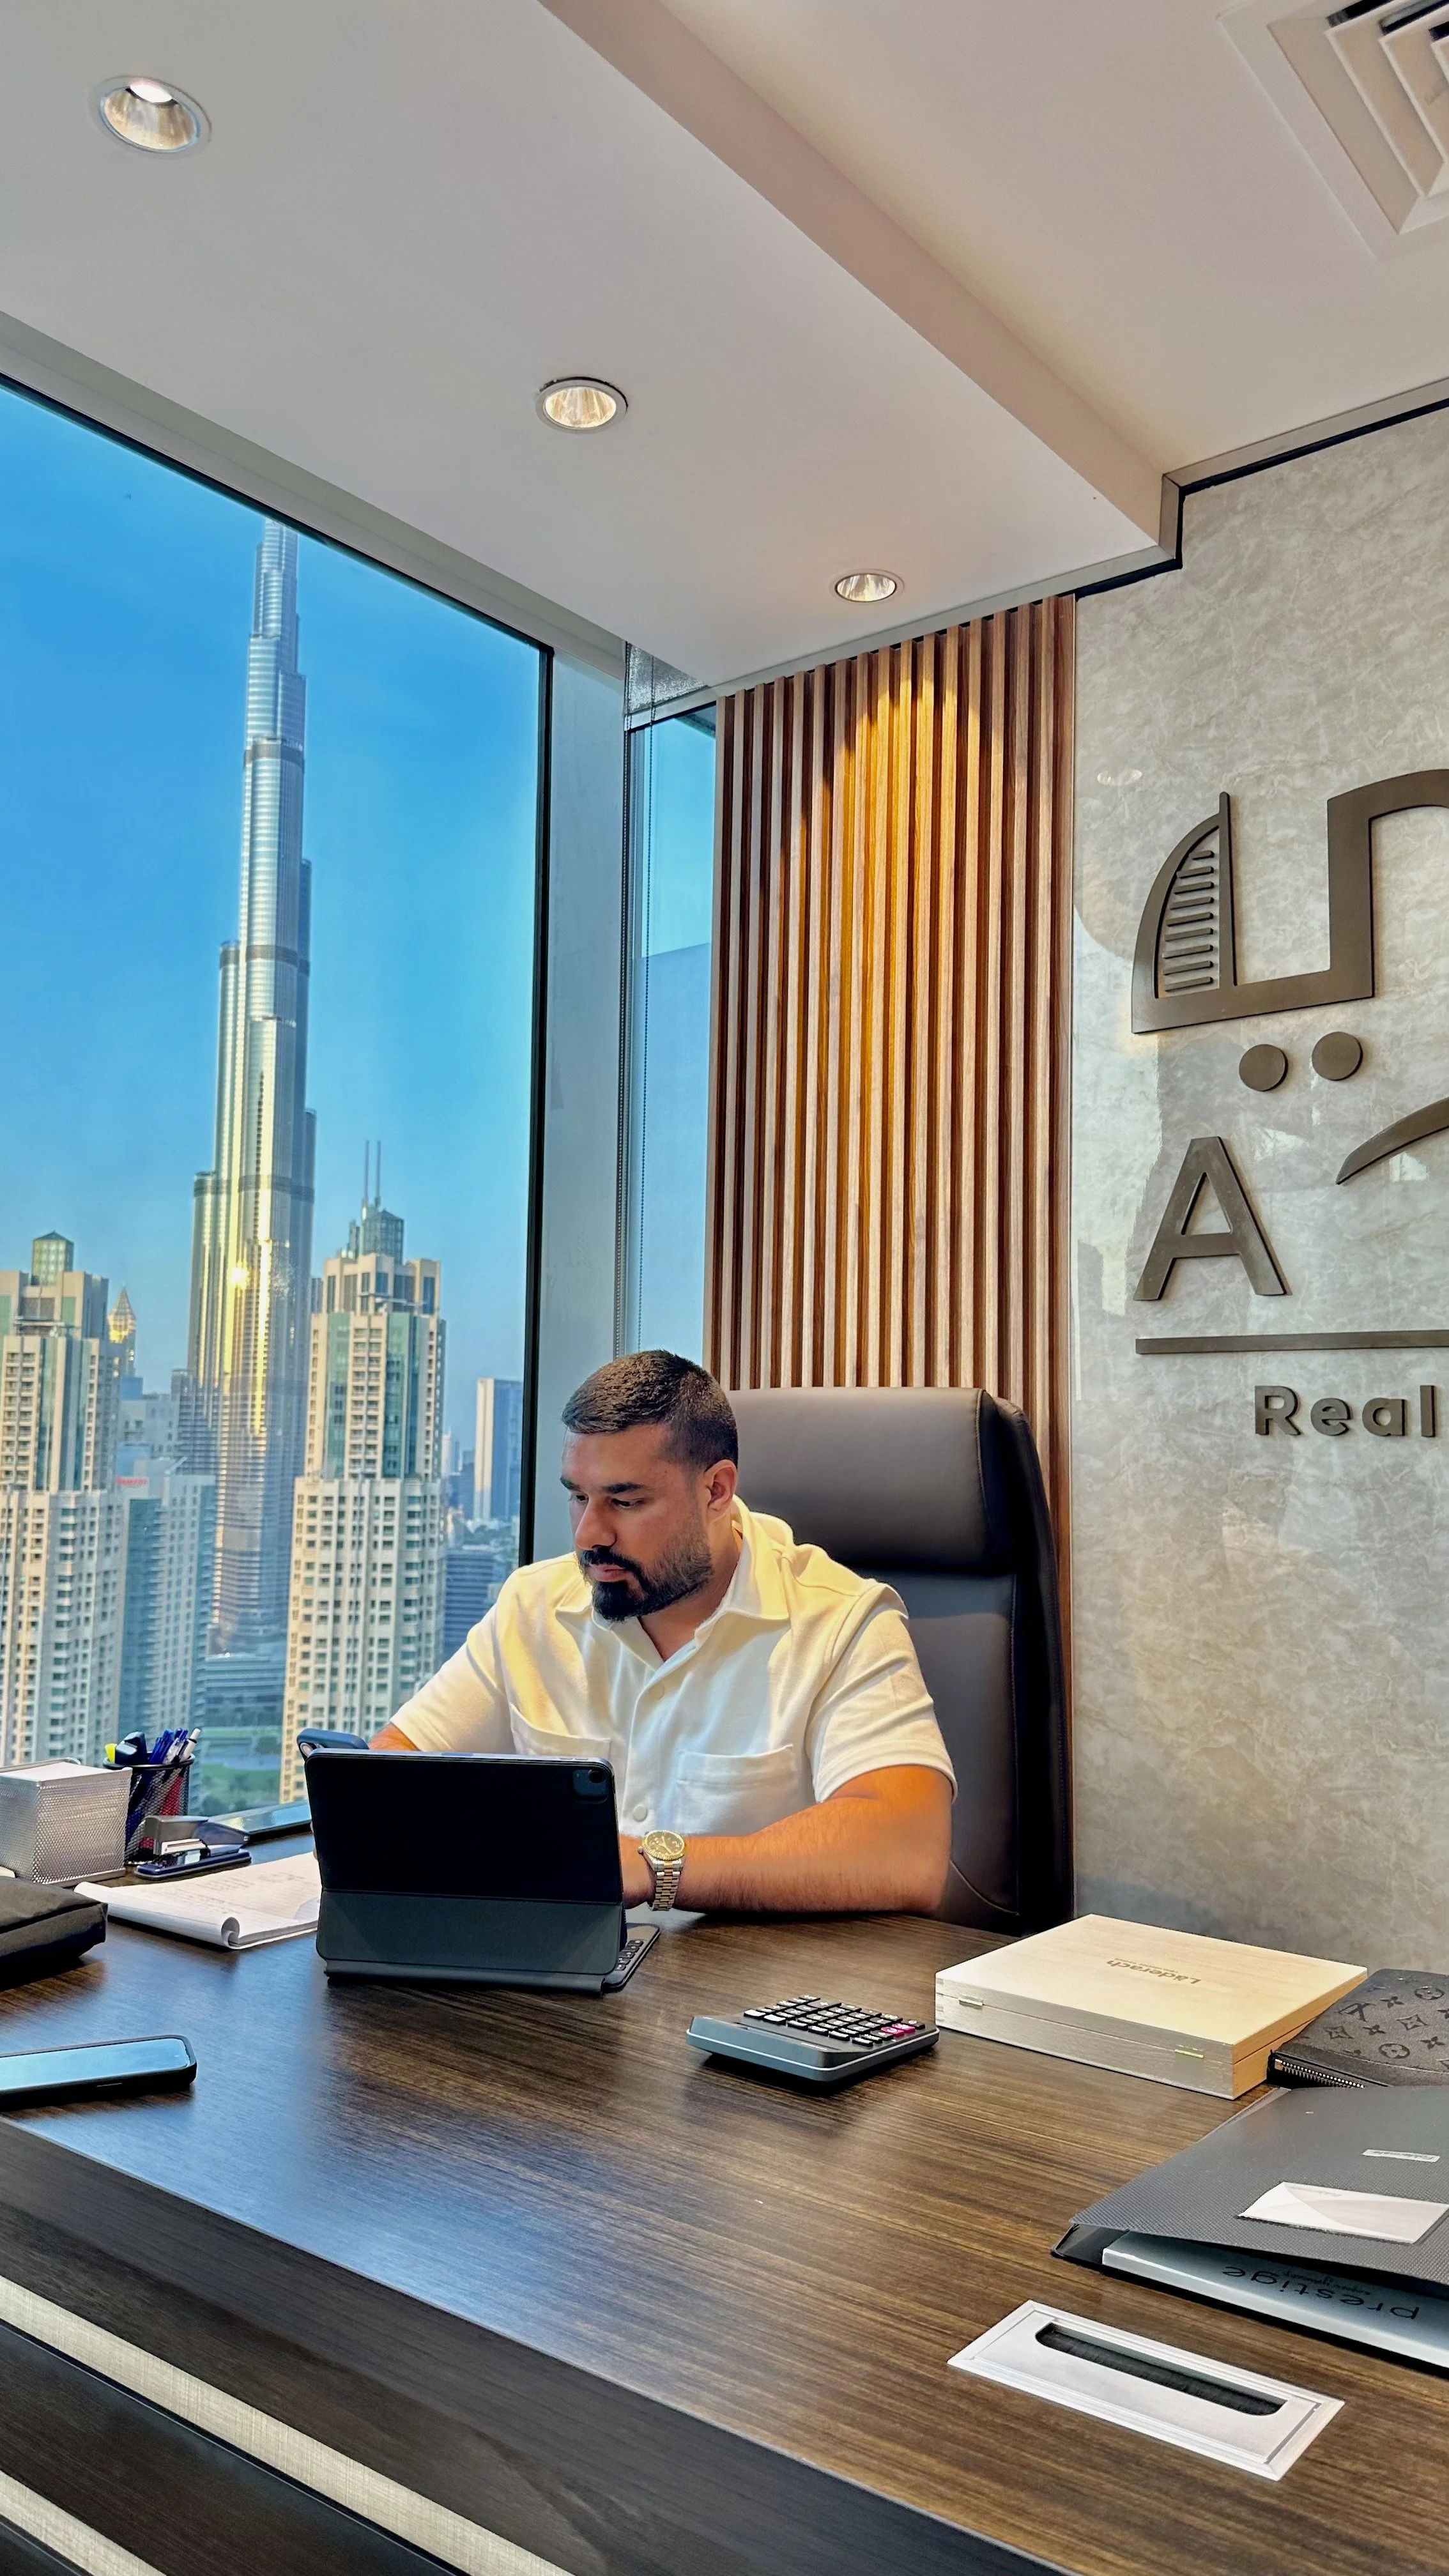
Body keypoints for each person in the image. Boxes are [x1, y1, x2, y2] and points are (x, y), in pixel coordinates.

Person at [373, 1351, 954, 1915]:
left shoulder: (843, 1621)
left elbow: (905, 1847)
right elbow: (387, 1777)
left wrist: (656, 1868)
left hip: (748, 1993)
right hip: (557, 1983)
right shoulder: (533, 1605)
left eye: (624, 1501)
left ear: (716, 1491)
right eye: (578, 1497)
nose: (587, 1535)